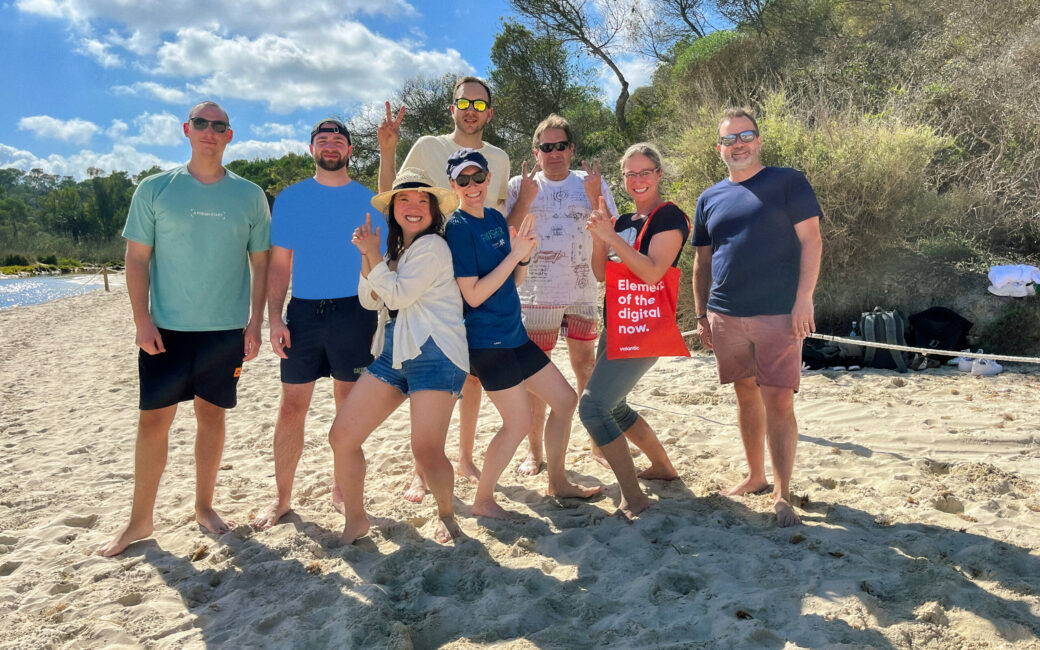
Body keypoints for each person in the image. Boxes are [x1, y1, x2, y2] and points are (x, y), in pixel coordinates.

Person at [98, 101, 270, 556]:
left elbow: (260, 262)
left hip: (224, 331)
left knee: (211, 417)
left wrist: (256, 323)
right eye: (201, 124)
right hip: (166, 330)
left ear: (229, 136)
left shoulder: (249, 195)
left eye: (218, 126)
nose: (209, 131)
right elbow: (136, 259)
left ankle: (203, 505)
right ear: (186, 130)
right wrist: (141, 319)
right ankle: (139, 521)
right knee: (153, 422)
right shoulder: (155, 189)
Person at [443, 148, 600, 519]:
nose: (473, 186)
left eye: (478, 177)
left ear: (487, 179)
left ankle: (558, 481)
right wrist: (515, 256)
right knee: (518, 423)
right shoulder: (458, 227)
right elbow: (474, 294)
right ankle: (483, 501)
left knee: (563, 401)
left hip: (514, 335)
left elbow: (516, 280)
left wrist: (525, 256)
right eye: (463, 180)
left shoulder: (496, 220)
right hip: (485, 342)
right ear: (453, 185)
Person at [377, 76, 510, 501]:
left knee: (469, 378)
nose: (471, 108)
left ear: (490, 112)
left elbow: (497, 213)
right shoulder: (428, 148)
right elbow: (391, 197)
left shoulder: (500, 158)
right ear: (451, 107)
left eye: (479, 103)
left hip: (476, 278)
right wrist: (387, 151)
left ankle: (466, 456)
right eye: (463, 102)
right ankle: (422, 468)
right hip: (428, 278)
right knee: (427, 375)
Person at [692, 107, 823, 527]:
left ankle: (783, 494)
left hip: (779, 314)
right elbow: (702, 261)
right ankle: (755, 477)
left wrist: (805, 299)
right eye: (729, 140)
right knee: (745, 394)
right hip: (725, 315)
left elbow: (812, 240)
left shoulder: (787, 181)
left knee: (778, 400)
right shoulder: (709, 197)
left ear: (759, 140)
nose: (738, 145)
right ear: (719, 149)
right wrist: (701, 315)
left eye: (744, 136)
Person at [328, 168, 468, 544]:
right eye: (404, 199)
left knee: (425, 449)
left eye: (424, 200)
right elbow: (368, 297)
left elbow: (398, 296)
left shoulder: (434, 247)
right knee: (342, 436)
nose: (414, 206)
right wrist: (369, 255)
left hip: (437, 352)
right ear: (392, 209)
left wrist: (373, 254)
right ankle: (356, 519)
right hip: (394, 351)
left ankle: (447, 514)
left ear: (434, 212)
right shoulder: (395, 250)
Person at [253, 119, 378, 529]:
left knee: (348, 407)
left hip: (354, 312)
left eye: (338, 140)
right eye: (322, 140)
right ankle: (283, 497)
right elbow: (280, 264)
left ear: (349, 151)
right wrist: (275, 316)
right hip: (304, 313)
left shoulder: (368, 199)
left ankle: (342, 490)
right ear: (311, 150)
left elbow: (378, 260)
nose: (330, 146)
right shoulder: (290, 199)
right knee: (291, 408)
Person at [505, 114, 619, 476]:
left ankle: (596, 443)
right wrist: (524, 199)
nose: (553, 153)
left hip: (583, 292)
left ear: (571, 149)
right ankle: (533, 452)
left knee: (586, 367)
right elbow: (505, 234)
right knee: (536, 379)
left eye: (560, 146)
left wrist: (595, 198)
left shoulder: (592, 183)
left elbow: (611, 234)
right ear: (535, 152)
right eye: (545, 147)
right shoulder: (517, 185)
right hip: (534, 296)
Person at [581, 143, 686, 519]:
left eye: (645, 172)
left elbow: (653, 271)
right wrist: (601, 234)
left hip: (646, 327)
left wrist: (610, 239)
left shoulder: (670, 217)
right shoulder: (623, 222)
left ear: (659, 174)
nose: (638, 180)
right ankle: (663, 468)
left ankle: (635, 497)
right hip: (617, 323)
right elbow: (600, 274)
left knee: (593, 407)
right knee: (614, 405)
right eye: (630, 174)